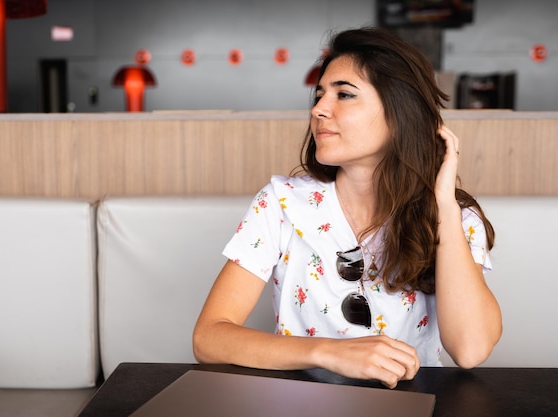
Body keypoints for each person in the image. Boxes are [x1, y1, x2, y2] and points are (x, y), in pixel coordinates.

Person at [193, 26, 502, 389]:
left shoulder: (455, 219)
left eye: (345, 94)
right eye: (320, 94)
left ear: (399, 112)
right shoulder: (280, 203)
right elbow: (209, 338)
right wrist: (328, 352)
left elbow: (470, 350)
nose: (319, 109)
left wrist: (445, 211)